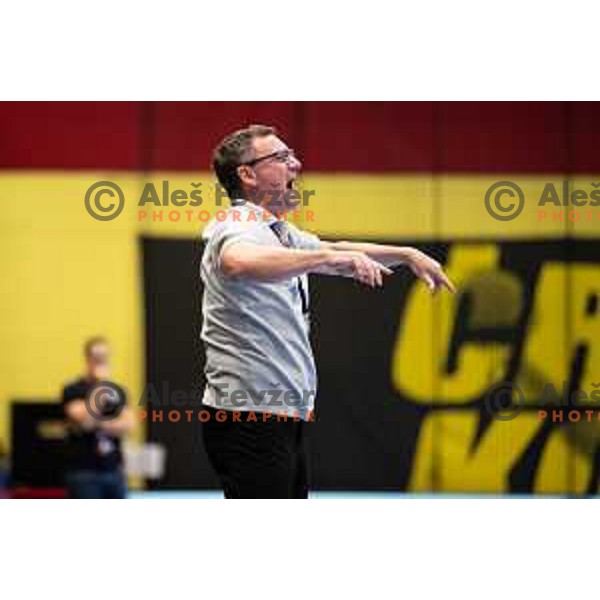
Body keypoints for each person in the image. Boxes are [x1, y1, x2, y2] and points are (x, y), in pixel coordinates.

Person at [200, 124, 455, 499]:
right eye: (282, 158)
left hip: (279, 414)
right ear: (247, 174)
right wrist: (328, 258)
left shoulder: (278, 233)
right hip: (249, 415)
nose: (296, 165)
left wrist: (406, 255)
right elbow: (236, 261)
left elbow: (338, 246)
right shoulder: (237, 223)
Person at [62, 337, 134, 499]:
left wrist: (96, 423)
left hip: (114, 470)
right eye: (97, 357)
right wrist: (101, 386)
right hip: (84, 472)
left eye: (105, 357)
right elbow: (81, 419)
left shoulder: (118, 391)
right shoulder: (73, 389)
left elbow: (129, 425)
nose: (101, 362)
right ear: (88, 358)